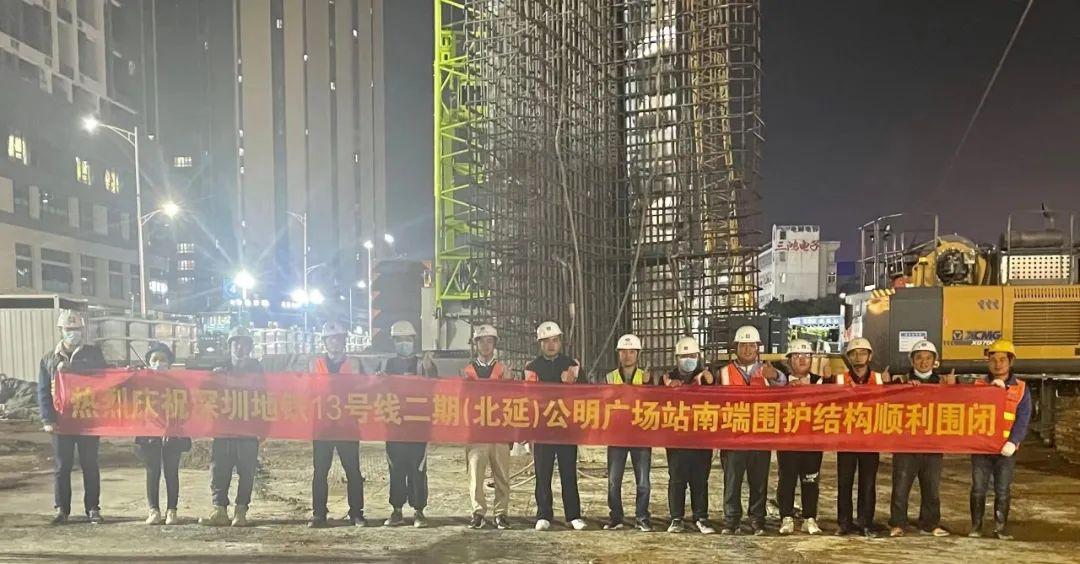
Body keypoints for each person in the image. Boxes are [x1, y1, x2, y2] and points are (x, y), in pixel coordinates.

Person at [37, 310, 108, 525]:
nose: (72, 333)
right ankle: (62, 509)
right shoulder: (49, 359)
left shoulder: (93, 355)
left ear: (82, 331)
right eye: (68, 329)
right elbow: (43, 391)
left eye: (76, 329)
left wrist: (73, 369)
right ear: (61, 330)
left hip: (87, 420)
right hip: (61, 422)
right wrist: (47, 419)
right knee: (62, 466)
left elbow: (104, 379)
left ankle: (93, 508)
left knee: (90, 465)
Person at [524, 321, 587, 531]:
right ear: (540, 343)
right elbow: (526, 397)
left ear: (560, 342)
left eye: (555, 340)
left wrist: (573, 383)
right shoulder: (532, 368)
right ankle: (544, 514)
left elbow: (588, 394)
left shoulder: (572, 366)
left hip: (566, 428)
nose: (551, 345)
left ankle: (573, 515)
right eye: (546, 341)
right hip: (542, 429)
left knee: (569, 472)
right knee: (543, 473)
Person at [718, 325, 779, 536]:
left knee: (759, 482)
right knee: (732, 482)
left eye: (751, 345)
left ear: (757, 348)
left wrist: (776, 376)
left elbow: (787, 391)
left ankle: (757, 520)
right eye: (743, 345)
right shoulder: (723, 373)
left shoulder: (768, 372)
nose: (747, 349)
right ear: (736, 348)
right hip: (733, 437)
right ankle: (731, 521)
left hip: (760, 437)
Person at [200, 326, 263, 527]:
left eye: (244, 344)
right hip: (224, 429)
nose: (240, 348)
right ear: (230, 346)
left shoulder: (257, 370)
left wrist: (264, 428)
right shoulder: (219, 367)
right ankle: (219, 510)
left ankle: (241, 511)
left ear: (250, 347)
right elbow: (203, 393)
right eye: (236, 343)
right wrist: (212, 379)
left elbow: (266, 397)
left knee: (247, 472)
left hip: (248, 430)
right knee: (219, 470)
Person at [969, 339, 1031, 541]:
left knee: (1002, 490)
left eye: (1003, 359)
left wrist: (1013, 441)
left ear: (1011, 362)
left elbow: (1023, 418)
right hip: (981, 449)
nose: (998, 364)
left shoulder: (1021, 388)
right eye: (993, 360)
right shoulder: (978, 385)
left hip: (1006, 450)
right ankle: (976, 527)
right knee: (978, 489)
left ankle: (1000, 528)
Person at [888, 339, 951, 538]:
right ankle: (898, 523)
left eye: (928, 358)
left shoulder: (944, 384)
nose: (924, 362)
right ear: (912, 360)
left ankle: (930, 524)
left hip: (933, 445)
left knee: (931, 488)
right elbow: (885, 402)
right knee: (900, 487)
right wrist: (901, 389)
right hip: (906, 445)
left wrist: (951, 389)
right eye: (919, 358)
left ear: (934, 361)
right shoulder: (901, 382)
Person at [380, 320, 438, 528]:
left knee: (417, 469)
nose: (403, 343)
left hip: (417, 427)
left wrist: (431, 371)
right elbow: (375, 392)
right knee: (396, 468)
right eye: (399, 340)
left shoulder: (423, 364)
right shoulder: (386, 365)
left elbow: (435, 388)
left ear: (414, 340)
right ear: (393, 342)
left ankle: (418, 510)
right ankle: (397, 510)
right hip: (394, 427)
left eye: (407, 339)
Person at [308, 321, 366, 528]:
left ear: (344, 341)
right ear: (325, 342)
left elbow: (365, 389)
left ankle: (356, 513)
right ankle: (319, 514)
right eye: (331, 339)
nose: (335, 342)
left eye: (338, 338)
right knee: (320, 472)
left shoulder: (355, 364)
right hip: (322, 426)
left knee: (353, 471)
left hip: (347, 426)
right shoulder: (314, 364)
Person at [460, 324, 513, 530]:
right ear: (476, 344)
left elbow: (512, 401)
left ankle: (501, 513)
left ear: (495, 344)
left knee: (502, 476)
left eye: (489, 341)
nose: (485, 345)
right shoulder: (467, 371)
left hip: (499, 431)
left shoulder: (504, 371)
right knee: (476, 475)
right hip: (476, 432)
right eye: (481, 341)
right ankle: (478, 512)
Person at [662, 336, 716, 534]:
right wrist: (666, 387)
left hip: (702, 437)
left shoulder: (707, 377)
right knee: (677, 479)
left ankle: (701, 517)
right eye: (684, 356)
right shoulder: (667, 378)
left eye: (692, 356)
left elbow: (721, 400)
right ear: (676, 358)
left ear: (698, 356)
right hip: (676, 438)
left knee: (700, 479)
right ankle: (676, 518)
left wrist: (712, 383)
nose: (688, 359)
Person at [834, 337, 887, 538]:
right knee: (844, 483)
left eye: (863, 353)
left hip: (869, 441)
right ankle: (844, 523)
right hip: (846, 440)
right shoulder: (839, 379)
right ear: (848, 357)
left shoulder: (880, 379)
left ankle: (865, 522)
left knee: (868, 483)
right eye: (854, 353)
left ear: (869, 356)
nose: (858, 356)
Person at [136, 342, 192, 525]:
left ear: (169, 363)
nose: (159, 363)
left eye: (163, 359)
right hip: (148, 435)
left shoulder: (178, 385)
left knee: (171, 472)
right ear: (148, 362)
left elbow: (187, 408)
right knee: (152, 472)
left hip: (173, 434)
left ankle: (172, 510)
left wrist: (173, 426)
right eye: (155, 359)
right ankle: (153, 510)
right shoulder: (141, 384)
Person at [603, 333, 652, 532]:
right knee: (614, 481)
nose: (627, 355)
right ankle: (616, 518)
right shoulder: (610, 378)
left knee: (643, 482)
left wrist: (649, 385)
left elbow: (655, 404)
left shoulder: (646, 377)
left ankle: (642, 517)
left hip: (641, 436)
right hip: (617, 436)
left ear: (637, 354)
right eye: (624, 351)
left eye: (632, 352)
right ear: (618, 354)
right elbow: (601, 402)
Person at [776, 339, 824, 536]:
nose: (802, 360)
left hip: (812, 441)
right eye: (797, 356)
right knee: (786, 480)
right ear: (789, 360)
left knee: (810, 480)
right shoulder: (780, 382)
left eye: (806, 356)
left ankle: (809, 518)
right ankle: (786, 517)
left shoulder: (822, 382)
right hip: (787, 440)